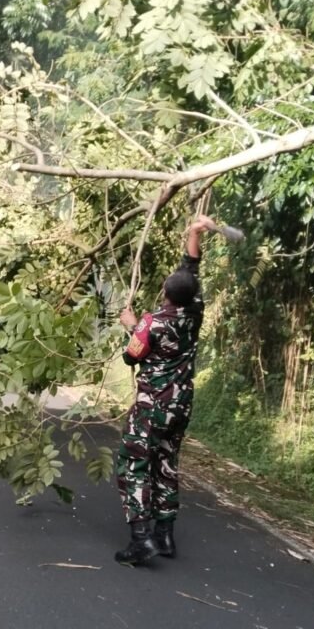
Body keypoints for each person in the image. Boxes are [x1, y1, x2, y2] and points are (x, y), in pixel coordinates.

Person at [113, 215, 218, 565]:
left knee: (133, 463)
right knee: (167, 463)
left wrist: (131, 326)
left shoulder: (152, 324)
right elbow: (191, 267)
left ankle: (141, 538)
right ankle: (165, 534)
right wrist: (194, 232)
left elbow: (132, 357)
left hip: (152, 406)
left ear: (165, 293)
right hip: (181, 404)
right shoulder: (195, 312)